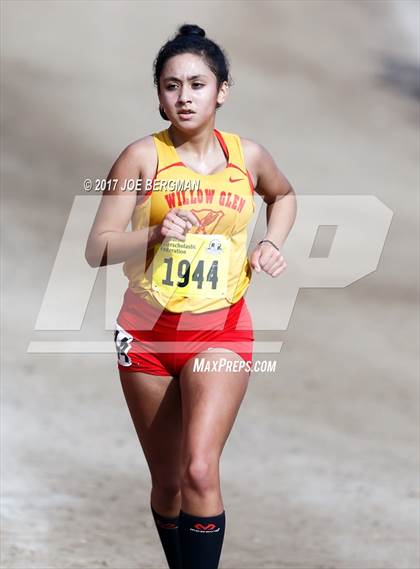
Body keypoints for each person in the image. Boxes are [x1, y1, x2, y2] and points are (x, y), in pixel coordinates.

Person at [85, 23, 296, 569]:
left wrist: (271, 242)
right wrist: (154, 233)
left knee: (200, 469)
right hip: (148, 334)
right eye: (171, 85)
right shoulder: (140, 158)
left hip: (219, 332)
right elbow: (97, 248)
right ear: (158, 95)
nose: (184, 96)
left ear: (222, 90)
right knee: (169, 482)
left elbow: (283, 195)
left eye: (197, 84)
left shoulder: (247, 157)